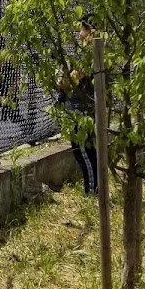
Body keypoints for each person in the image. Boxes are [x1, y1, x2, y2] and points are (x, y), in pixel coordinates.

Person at [58, 17, 97, 195]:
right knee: (84, 149)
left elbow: (69, 80)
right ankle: (93, 187)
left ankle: (92, 190)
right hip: (82, 107)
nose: (79, 34)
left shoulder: (89, 53)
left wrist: (59, 80)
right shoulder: (89, 52)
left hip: (83, 109)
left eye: (82, 29)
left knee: (83, 150)